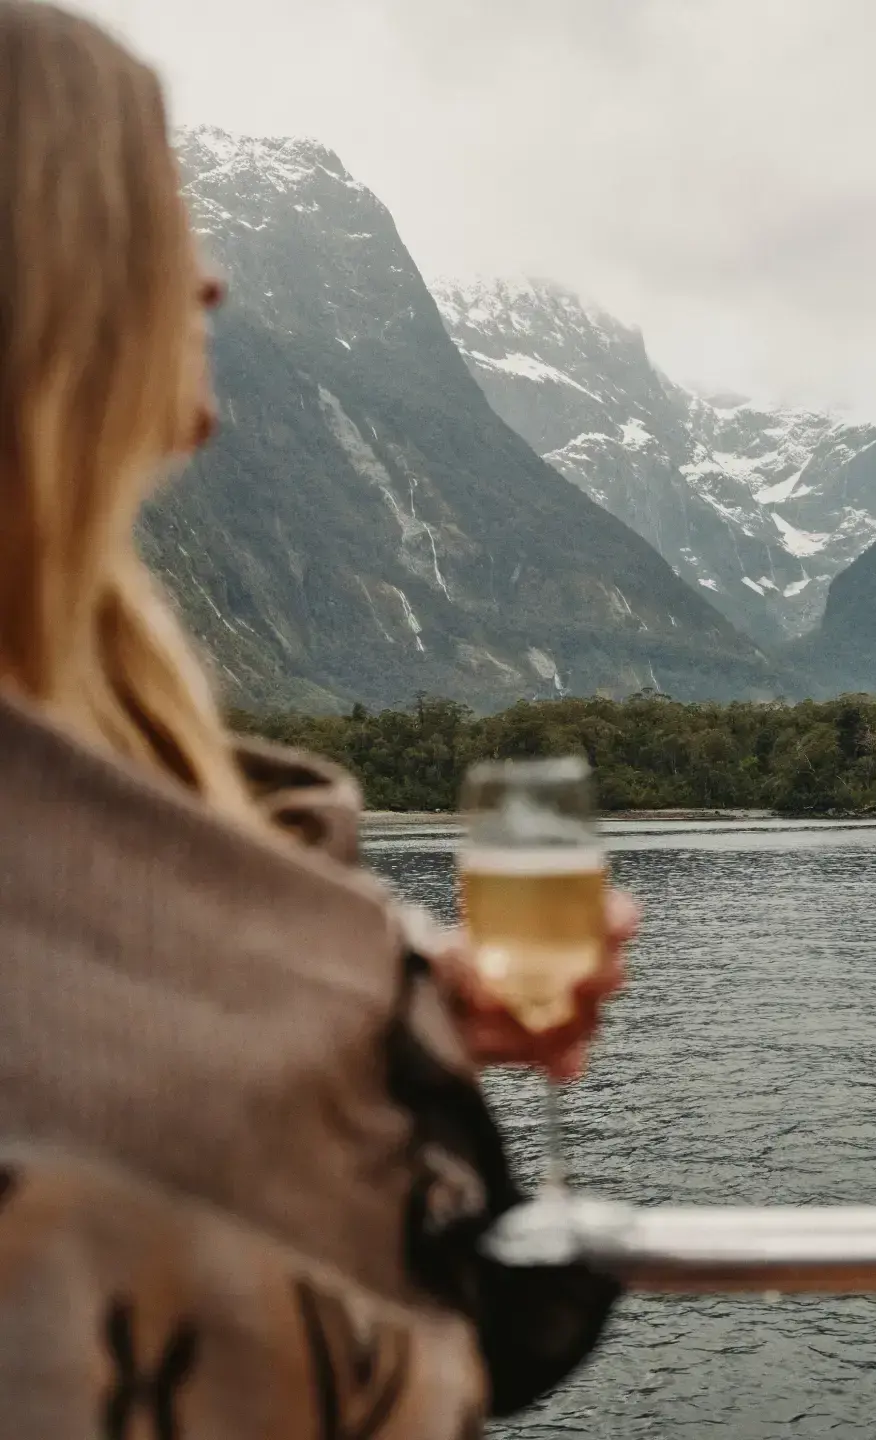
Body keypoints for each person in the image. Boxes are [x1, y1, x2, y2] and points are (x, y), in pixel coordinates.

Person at [0, 2, 632, 1432]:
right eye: (167, 224)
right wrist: (359, 996)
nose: (213, 285)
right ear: (57, 270)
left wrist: (413, 998)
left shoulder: (101, 756)